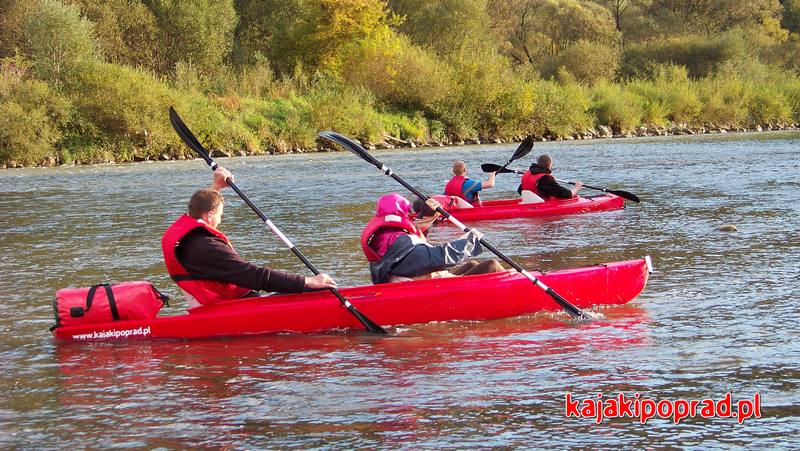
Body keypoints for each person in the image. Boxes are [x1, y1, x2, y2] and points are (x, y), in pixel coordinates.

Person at [162, 167, 336, 308]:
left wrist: (216, 187)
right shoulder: (207, 248)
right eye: (220, 215)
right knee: (317, 291)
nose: (220, 220)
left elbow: (200, 206)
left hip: (217, 305)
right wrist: (307, 281)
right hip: (235, 308)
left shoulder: (185, 238)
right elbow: (255, 276)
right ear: (209, 215)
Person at [361, 193, 504, 284]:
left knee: (472, 264)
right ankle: (514, 288)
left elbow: (417, 235)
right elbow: (436, 258)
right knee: (492, 265)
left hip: (414, 280)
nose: (408, 216)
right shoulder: (400, 241)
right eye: (407, 213)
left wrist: (427, 213)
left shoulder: (384, 236)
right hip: (424, 287)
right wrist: (469, 242)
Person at [517, 154, 583, 200]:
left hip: (530, 202)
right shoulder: (546, 178)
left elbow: (520, 190)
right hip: (540, 204)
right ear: (550, 165)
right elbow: (567, 195)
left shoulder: (527, 174)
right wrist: (577, 187)